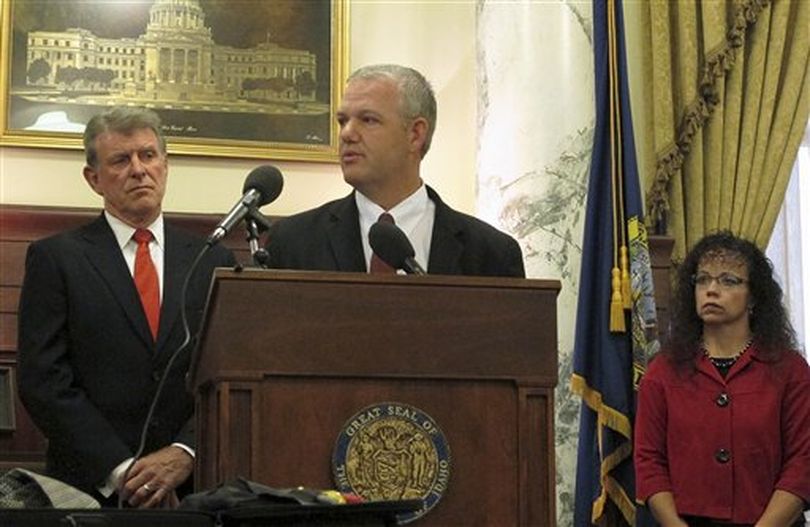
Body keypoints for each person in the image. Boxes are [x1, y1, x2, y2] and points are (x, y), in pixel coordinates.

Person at [17, 106, 236, 508]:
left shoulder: (212, 259)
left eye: (148, 155)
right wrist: (122, 471)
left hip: (195, 491)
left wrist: (184, 453)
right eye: (121, 159)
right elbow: (43, 381)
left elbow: (228, 377)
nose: (139, 169)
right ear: (93, 178)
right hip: (90, 491)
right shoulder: (56, 258)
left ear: (165, 166)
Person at [266, 64, 525, 278]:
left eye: (368, 120)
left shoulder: (493, 254)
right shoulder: (292, 242)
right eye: (343, 121)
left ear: (415, 134)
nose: (346, 134)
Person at [634, 231, 810, 526]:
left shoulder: (789, 370)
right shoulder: (663, 372)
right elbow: (649, 462)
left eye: (728, 280)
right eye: (702, 279)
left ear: (753, 296)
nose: (711, 290)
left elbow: (803, 461)